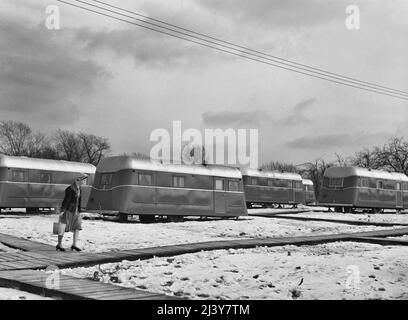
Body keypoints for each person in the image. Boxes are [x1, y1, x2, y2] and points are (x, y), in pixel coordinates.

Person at [56, 173, 88, 252]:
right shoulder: (70, 189)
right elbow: (66, 200)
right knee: (62, 227)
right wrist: (62, 210)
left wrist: (80, 211)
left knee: (77, 227)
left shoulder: (79, 189)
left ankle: (74, 245)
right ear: (78, 180)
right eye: (84, 180)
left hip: (76, 211)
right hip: (68, 211)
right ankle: (59, 244)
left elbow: (79, 201)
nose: (85, 181)